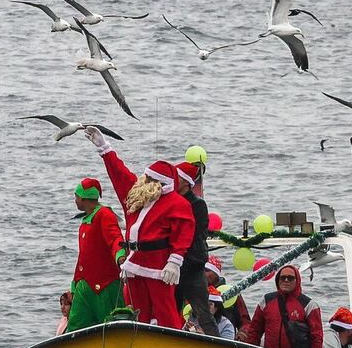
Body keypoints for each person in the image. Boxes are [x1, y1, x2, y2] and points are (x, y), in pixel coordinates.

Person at [83, 127, 194, 328]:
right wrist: (104, 148)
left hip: (158, 266)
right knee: (135, 310)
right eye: (147, 177)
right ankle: (137, 340)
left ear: (163, 183)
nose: (146, 182)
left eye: (152, 179)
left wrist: (175, 261)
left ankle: (172, 342)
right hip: (134, 264)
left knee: (165, 310)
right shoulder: (136, 196)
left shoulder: (177, 204)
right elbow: (119, 174)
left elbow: (184, 233)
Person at [64, 177, 126, 332]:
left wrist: (120, 255)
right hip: (84, 287)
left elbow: (115, 238)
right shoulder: (86, 221)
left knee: (112, 326)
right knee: (75, 328)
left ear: (84, 198)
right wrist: (75, 284)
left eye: (76, 197)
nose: (75, 200)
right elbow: (84, 257)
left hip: (105, 285)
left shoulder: (104, 215)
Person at [240, 264, 324, 348]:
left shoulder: (309, 305)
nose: (286, 280)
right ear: (277, 280)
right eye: (282, 277)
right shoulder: (266, 301)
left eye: (290, 278)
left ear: (297, 280)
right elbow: (255, 331)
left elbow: (316, 337)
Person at [174, 160, 219, 336]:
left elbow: (197, 232)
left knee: (203, 312)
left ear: (186, 181)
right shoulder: (171, 201)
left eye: (176, 177)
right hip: (176, 266)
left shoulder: (197, 204)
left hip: (193, 266)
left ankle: (218, 347)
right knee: (173, 309)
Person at [205, 255, 251, 336]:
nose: (203, 274)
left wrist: (242, 333)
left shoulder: (232, 293)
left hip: (227, 338)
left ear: (216, 273)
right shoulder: (194, 292)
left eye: (207, 270)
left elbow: (245, 321)